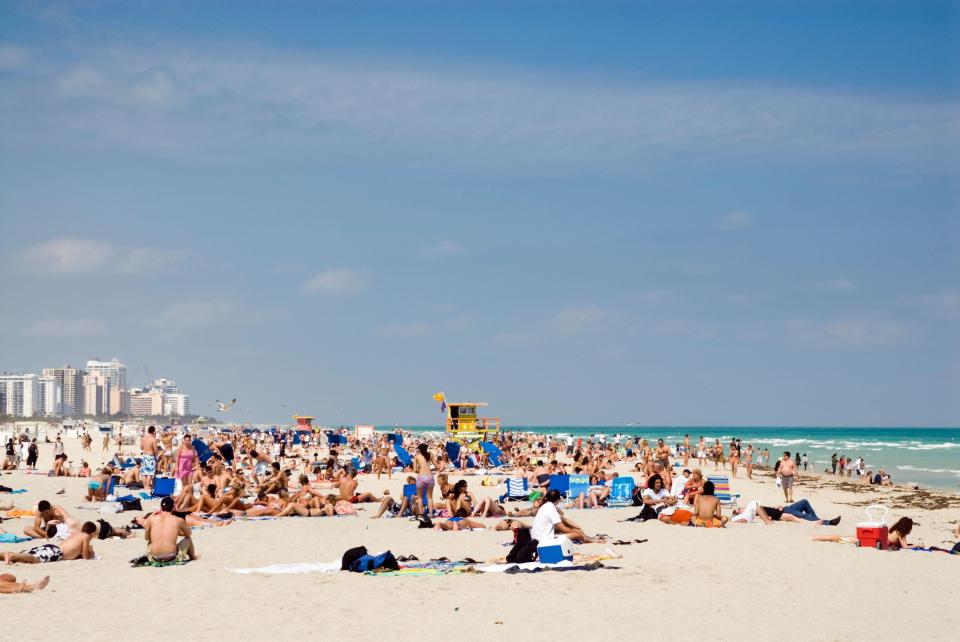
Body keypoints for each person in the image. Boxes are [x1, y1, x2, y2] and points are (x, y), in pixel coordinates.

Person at [4, 521, 97, 564]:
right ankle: (11, 556)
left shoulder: (76, 534)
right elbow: (85, 558)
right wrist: (91, 552)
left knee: (26, 555)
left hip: (52, 547)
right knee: (35, 559)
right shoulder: (85, 537)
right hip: (56, 552)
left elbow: (73, 554)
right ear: (92, 533)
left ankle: (7, 555)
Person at [531, 489, 602, 543]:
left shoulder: (546, 506)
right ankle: (592, 541)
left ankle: (587, 537)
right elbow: (561, 527)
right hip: (543, 540)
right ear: (558, 500)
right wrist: (575, 532)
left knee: (573, 530)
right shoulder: (550, 508)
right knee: (577, 535)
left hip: (536, 537)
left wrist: (577, 527)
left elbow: (563, 518)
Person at [144, 497, 197, 563]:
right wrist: (176, 532)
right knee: (188, 539)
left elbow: (146, 537)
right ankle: (193, 557)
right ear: (173, 508)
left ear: (161, 507)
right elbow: (188, 533)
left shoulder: (152, 519)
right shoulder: (178, 520)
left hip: (154, 558)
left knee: (150, 542)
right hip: (172, 558)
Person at [412, 443, 435, 516]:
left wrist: (421, 470)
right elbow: (437, 466)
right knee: (430, 497)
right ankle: (431, 514)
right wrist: (430, 469)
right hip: (430, 477)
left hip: (421, 477)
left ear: (419, 449)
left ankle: (421, 514)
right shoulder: (430, 455)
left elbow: (415, 470)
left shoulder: (416, 456)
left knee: (420, 497)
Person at [141, 426, 158, 494]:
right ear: (153, 431)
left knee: (144, 473)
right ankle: (147, 487)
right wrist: (156, 457)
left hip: (144, 456)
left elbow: (141, 447)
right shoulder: (153, 439)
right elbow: (155, 449)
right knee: (150, 473)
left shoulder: (143, 438)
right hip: (150, 457)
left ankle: (145, 487)